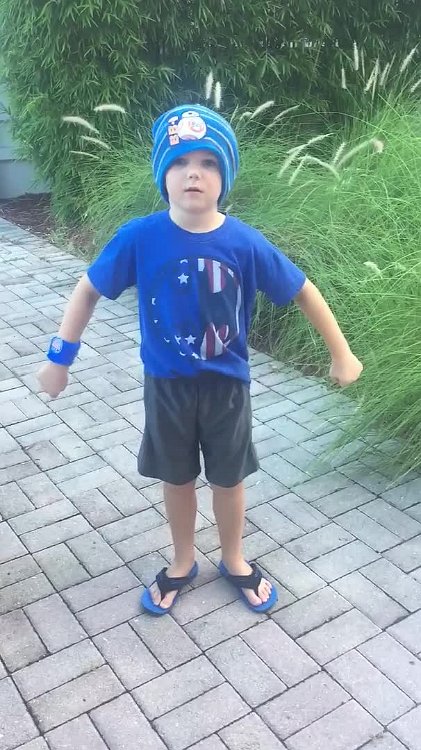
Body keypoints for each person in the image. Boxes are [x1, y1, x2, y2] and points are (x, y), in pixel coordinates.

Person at [37, 104, 363, 616]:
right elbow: (87, 290)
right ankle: (183, 560)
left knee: (229, 479)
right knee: (177, 477)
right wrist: (60, 357)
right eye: (181, 161)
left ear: (224, 176)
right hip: (166, 387)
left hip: (226, 387)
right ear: (162, 174)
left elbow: (303, 290)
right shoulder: (140, 237)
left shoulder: (244, 242)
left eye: (209, 162)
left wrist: (341, 352)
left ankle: (233, 558)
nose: (194, 173)